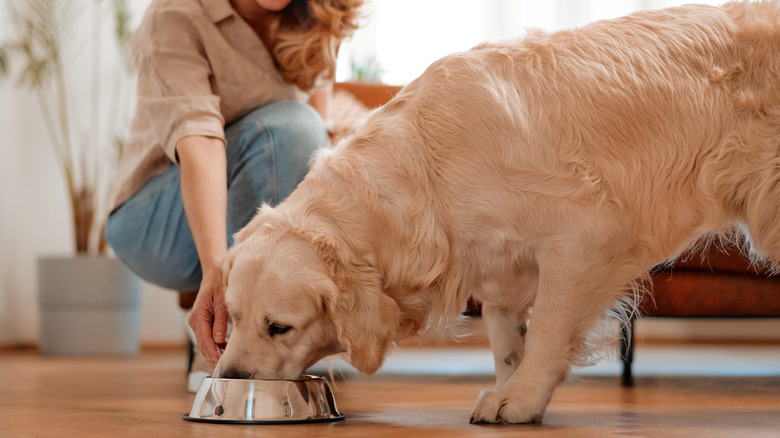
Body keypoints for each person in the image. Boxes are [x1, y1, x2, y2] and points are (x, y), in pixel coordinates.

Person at [105, 0, 364, 390]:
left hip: (247, 195)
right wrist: (218, 270)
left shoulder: (320, 13)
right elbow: (200, 145)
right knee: (287, 130)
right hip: (155, 221)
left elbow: (316, 151)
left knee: (303, 132)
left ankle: (272, 346)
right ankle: (225, 341)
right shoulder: (174, 14)